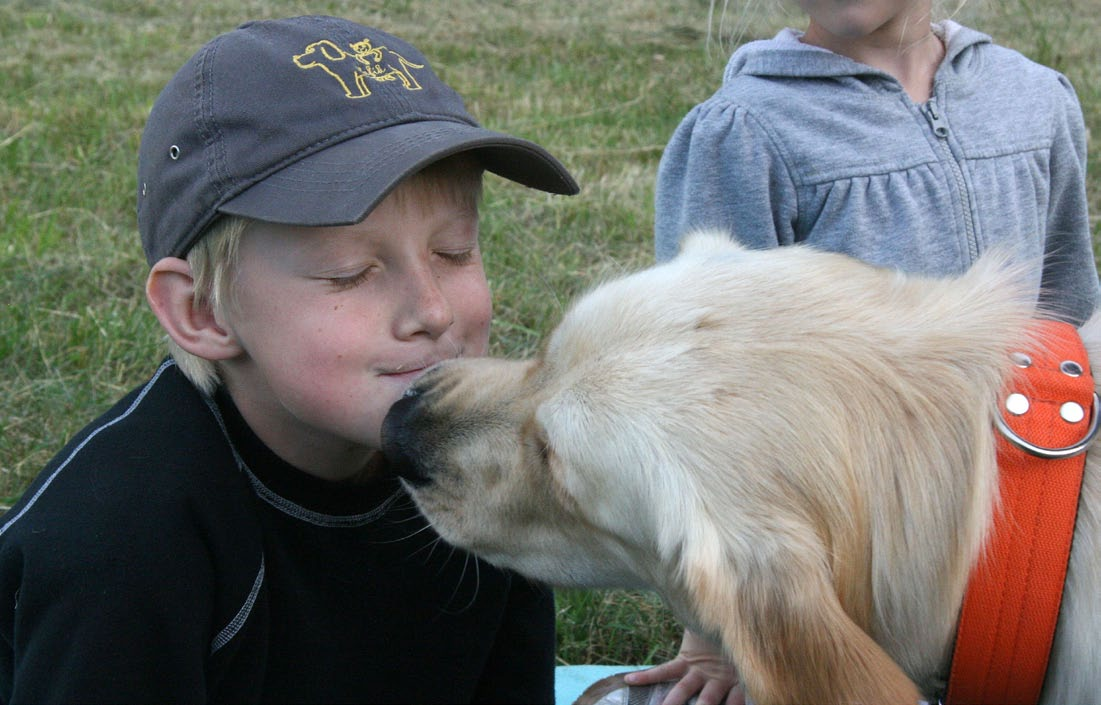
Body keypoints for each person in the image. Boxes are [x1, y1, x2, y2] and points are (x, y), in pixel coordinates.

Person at [0, 15, 578, 703]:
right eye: (349, 272)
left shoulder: (487, 467)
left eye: (453, 251)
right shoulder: (121, 543)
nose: (432, 310)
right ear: (202, 313)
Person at [617, 0, 1101, 704]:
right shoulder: (746, 133)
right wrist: (714, 631)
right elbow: (705, 391)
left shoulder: (1032, 101)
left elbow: (1063, 320)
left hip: (1024, 532)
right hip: (855, 562)